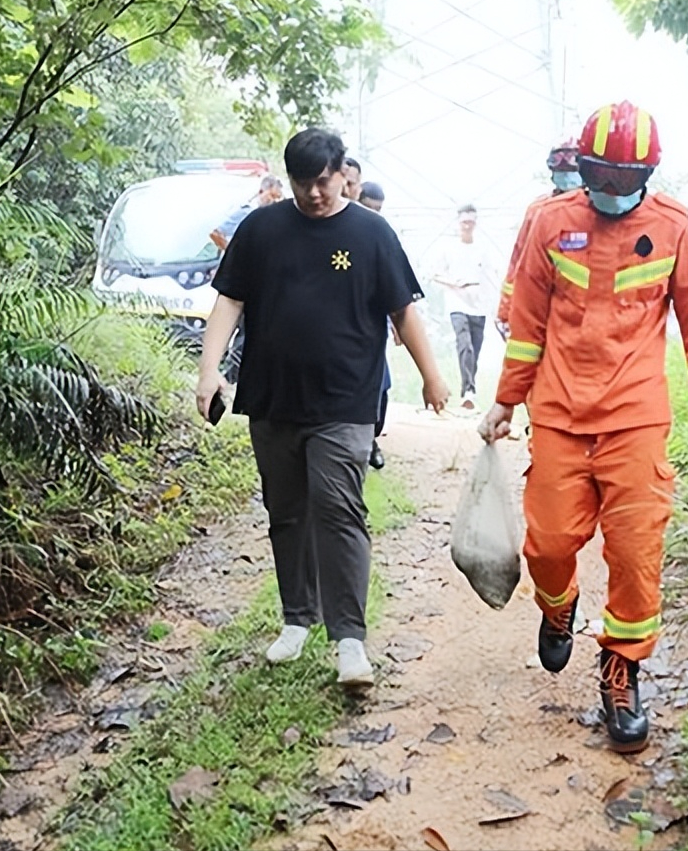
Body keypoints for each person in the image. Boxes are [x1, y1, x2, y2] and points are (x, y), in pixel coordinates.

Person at [478, 101, 688, 753]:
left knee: (634, 552)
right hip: (561, 414)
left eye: (625, 179)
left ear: (647, 173)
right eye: (600, 174)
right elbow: (529, 326)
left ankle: (621, 669)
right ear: (582, 165)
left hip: (635, 418)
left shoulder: (674, 228)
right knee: (548, 544)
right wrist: (506, 401)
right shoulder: (550, 223)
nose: (611, 190)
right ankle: (558, 603)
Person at [196, 128, 449, 687]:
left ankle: (350, 640)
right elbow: (230, 300)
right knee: (286, 512)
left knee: (338, 511)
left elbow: (404, 310)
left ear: (341, 174)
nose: (314, 193)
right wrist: (208, 370)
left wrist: (432, 376)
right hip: (272, 396)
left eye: (323, 181)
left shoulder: (371, 233)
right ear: (289, 180)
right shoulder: (262, 230)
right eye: (302, 183)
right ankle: (297, 618)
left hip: (344, 401)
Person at [494, 139, 583, 340]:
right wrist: (505, 312)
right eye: (560, 163)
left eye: (571, 164)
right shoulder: (539, 211)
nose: (566, 170)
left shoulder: (598, 211)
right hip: (544, 303)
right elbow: (518, 263)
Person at [429, 204, 501, 409]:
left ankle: (470, 388)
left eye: (471, 222)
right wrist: (453, 283)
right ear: (458, 223)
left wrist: (497, 304)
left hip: (479, 304)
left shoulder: (482, 249)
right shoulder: (448, 248)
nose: (467, 226)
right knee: (465, 345)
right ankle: (468, 391)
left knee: (475, 350)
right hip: (456, 302)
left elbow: (491, 277)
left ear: (475, 223)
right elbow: (435, 273)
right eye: (464, 222)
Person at [356, 180, 392, 470]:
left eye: (378, 210)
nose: (373, 215)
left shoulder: (380, 236)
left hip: (372, 330)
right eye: (369, 209)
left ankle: (372, 437)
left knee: (380, 391)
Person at [209, 173, 283, 251]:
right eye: (272, 196)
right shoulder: (248, 211)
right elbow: (215, 233)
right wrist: (233, 254)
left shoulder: (270, 217)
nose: (274, 201)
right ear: (261, 191)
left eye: (277, 198)